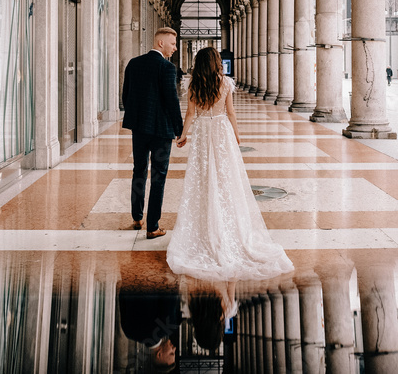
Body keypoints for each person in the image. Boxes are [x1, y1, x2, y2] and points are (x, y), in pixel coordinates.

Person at [167, 47, 294, 281]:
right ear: (217, 62)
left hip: (204, 132)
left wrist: (184, 135)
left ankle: (207, 227)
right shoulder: (225, 83)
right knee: (226, 179)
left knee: (204, 178)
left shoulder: (194, 84)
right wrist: (236, 135)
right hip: (222, 130)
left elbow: (190, 115)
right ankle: (229, 227)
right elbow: (231, 112)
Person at [122, 27, 183, 240]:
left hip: (139, 129)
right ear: (161, 43)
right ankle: (153, 226)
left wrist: (137, 118)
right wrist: (179, 129)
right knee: (158, 176)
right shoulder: (167, 67)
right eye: (173, 44)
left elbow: (125, 96)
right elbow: (172, 101)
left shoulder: (133, 63)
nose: (175, 48)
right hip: (161, 132)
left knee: (138, 170)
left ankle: (137, 217)